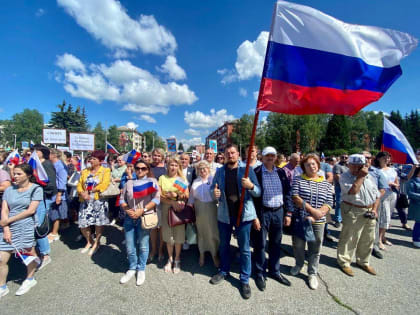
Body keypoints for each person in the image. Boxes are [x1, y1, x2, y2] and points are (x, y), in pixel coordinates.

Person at [209, 144, 261, 300]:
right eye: (227, 153)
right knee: (224, 245)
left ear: (238, 154)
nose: (230, 155)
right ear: (224, 155)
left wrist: (251, 186)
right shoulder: (220, 171)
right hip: (225, 215)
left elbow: (258, 192)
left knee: (244, 249)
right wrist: (214, 193)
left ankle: (244, 279)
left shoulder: (246, 170)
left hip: (243, 215)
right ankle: (223, 271)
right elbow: (213, 190)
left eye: (233, 153)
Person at [289, 153, 333, 290]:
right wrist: (312, 211)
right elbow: (296, 197)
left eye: (313, 164)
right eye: (308, 164)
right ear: (303, 167)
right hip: (301, 219)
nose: (311, 166)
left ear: (318, 165)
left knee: (315, 248)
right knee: (298, 245)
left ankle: (312, 272)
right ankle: (299, 264)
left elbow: (329, 202)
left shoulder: (325, 183)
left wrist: (317, 214)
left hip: (318, 221)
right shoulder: (298, 180)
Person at [252, 147, 292, 291]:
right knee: (260, 244)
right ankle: (260, 273)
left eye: (272, 155)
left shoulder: (281, 172)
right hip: (263, 212)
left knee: (276, 243)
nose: (270, 157)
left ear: (276, 157)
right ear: (261, 157)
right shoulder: (256, 172)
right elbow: (251, 197)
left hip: (279, 212)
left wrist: (288, 213)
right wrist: (254, 217)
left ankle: (275, 271)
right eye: (267, 155)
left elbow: (288, 193)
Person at [0, 164, 43, 297]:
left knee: (28, 253)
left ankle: (30, 278)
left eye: (19, 174)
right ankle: (2, 285)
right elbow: (5, 209)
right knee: (1, 259)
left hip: (25, 225)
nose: (15, 176)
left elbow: (31, 210)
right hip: (7, 226)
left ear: (28, 175)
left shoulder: (36, 189)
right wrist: (6, 227)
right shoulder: (9, 190)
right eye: (14, 173)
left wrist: (9, 221)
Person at [337, 154, 381, 277]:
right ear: (348, 165)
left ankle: (363, 261)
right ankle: (344, 262)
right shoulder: (345, 177)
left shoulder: (370, 177)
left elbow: (377, 195)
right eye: (354, 166)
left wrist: (375, 209)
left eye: (360, 166)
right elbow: (353, 191)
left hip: (369, 210)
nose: (357, 169)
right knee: (350, 237)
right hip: (352, 209)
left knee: (368, 238)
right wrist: (361, 176)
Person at [119, 159, 160, 285]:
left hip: (144, 217)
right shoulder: (129, 183)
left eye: (143, 168)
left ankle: (141, 268)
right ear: (134, 169)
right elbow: (122, 199)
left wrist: (143, 209)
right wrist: (127, 209)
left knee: (143, 245)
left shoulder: (152, 182)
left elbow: (157, 199)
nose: (140, 170)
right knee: (130, 246)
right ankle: (132, 267)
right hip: (130, 218)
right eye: (138, 168)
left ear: (148, 170)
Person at [76, 150, 111, 256]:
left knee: (98, 224)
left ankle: (96, 243)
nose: (91, 160)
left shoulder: (105, 171)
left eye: (94, 159)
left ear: (100, 161)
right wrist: (82, 193)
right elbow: (79, 184)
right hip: (85, 201)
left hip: (98, 201)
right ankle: (89, 241)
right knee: (83, 224)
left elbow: (104, 184)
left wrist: (91, 191)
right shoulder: (85, 171)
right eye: (91, 158)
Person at [159, 158, 189, 274]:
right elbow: (160, 196)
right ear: (167, 165)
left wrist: (176, 195)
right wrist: (172, 201)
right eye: (171, 165)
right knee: (168, 235)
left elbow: (186, 195)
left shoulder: (180, 180)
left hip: (179, 209)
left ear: (178, 167)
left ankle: (177, 259)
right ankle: (170, 258)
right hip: (167, 208)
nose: (173, 167)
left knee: (178, 235)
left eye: (176, 165)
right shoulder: (162, 178)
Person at [187, 161, 219, 267]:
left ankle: (214, 254)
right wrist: (190, 208)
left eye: (204, 168)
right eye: (200, 169)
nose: (202, 170)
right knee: (201, 232)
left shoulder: (214, 180)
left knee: (212, 232)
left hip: (212, 208)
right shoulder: (195, 182)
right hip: (199, 209)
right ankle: (202, 254)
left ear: (209, 169)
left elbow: (219, 195)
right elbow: (191, 198)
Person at [33, 145, 57, 269]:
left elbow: (51, 184)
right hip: (34, 198)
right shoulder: (35, 163)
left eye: (36, 151)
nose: (34, 153)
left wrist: (36, 183)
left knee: (39, 225)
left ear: (42, 152)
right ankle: (37, 250)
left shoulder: (47, 164)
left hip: (43, 198)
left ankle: (45, 254)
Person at [361, 151, 387, 260]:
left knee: (373, 227)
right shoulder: (353, 170)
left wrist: (374, 201)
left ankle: (374, 247)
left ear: (371, 159)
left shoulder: (377, 172)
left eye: (368, 157)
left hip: (373, 203)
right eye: (363, 157)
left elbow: (383, 189)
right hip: (357, 203)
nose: (366, 159)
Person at [374, 152, 399, 250]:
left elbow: (397, 181)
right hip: (382, 195)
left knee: (388, 217)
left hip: (392, 194)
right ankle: (379, 240)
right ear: (379, 159)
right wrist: (387, 184)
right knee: (384, 217)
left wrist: (395, 185)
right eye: (384, 158)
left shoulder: (393, 170)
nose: (387, 159)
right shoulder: (376, 170)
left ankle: (383, 237)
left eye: (388, 158)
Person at [47, 149, 68, 243]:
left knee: (55, 213)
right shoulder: (52, 165)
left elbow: (62, 181)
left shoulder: (60, 165)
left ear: (54, 155)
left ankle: (54, 233)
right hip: (52, 192)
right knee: (53, 212)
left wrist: (59, 194)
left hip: (58, 193)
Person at [149, 148, 166, 262]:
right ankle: (153, 250)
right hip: (149, 201)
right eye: (154, 155)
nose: (156, 157)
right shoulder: (148, 167)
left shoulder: (166, 169)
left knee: (162, 228)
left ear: (162, 157)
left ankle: (161, 250)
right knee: (153, 227)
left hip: (163, 201)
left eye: (158, 156)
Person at [109, 155, 127, 225]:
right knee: (112, 203)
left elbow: (121, 177)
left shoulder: (125, 168)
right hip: (113, 188)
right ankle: (113, 216)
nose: (118, 161)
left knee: (118, 205)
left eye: (120, 160)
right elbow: (111, 175)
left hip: (120, 188)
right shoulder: (116, 167)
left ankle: (116, 218)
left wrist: (116, 178)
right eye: (118, 160)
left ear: (124, 161)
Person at [333, 154, 349, 228]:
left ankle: (343, 218)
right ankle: (337, 220)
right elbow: (337, 176)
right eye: (343, 157)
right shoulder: (337, 166)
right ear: (340, 158)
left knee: (347, 203)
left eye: (346, 157)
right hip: (340, 187)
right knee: (339, 203)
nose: (344, 159)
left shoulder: (348, 166)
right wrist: (344, 184)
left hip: (348, 188)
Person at [408, 166, 420, 248]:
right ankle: (416, 239)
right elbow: (410, 193)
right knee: (419, 222)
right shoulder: (413, 181)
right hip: (417, 205)